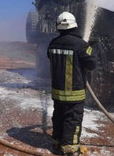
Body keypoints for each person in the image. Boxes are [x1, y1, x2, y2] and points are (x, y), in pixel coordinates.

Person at [47, 12, 96, 156]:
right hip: (74, 93)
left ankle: (56, 142)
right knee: (72, 119)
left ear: (59, 27)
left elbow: (51, 57)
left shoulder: (52, 44)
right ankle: (69, 149)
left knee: (58, 116)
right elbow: (92, 63)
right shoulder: (80, 45)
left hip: (57, 91)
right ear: (74, 26)